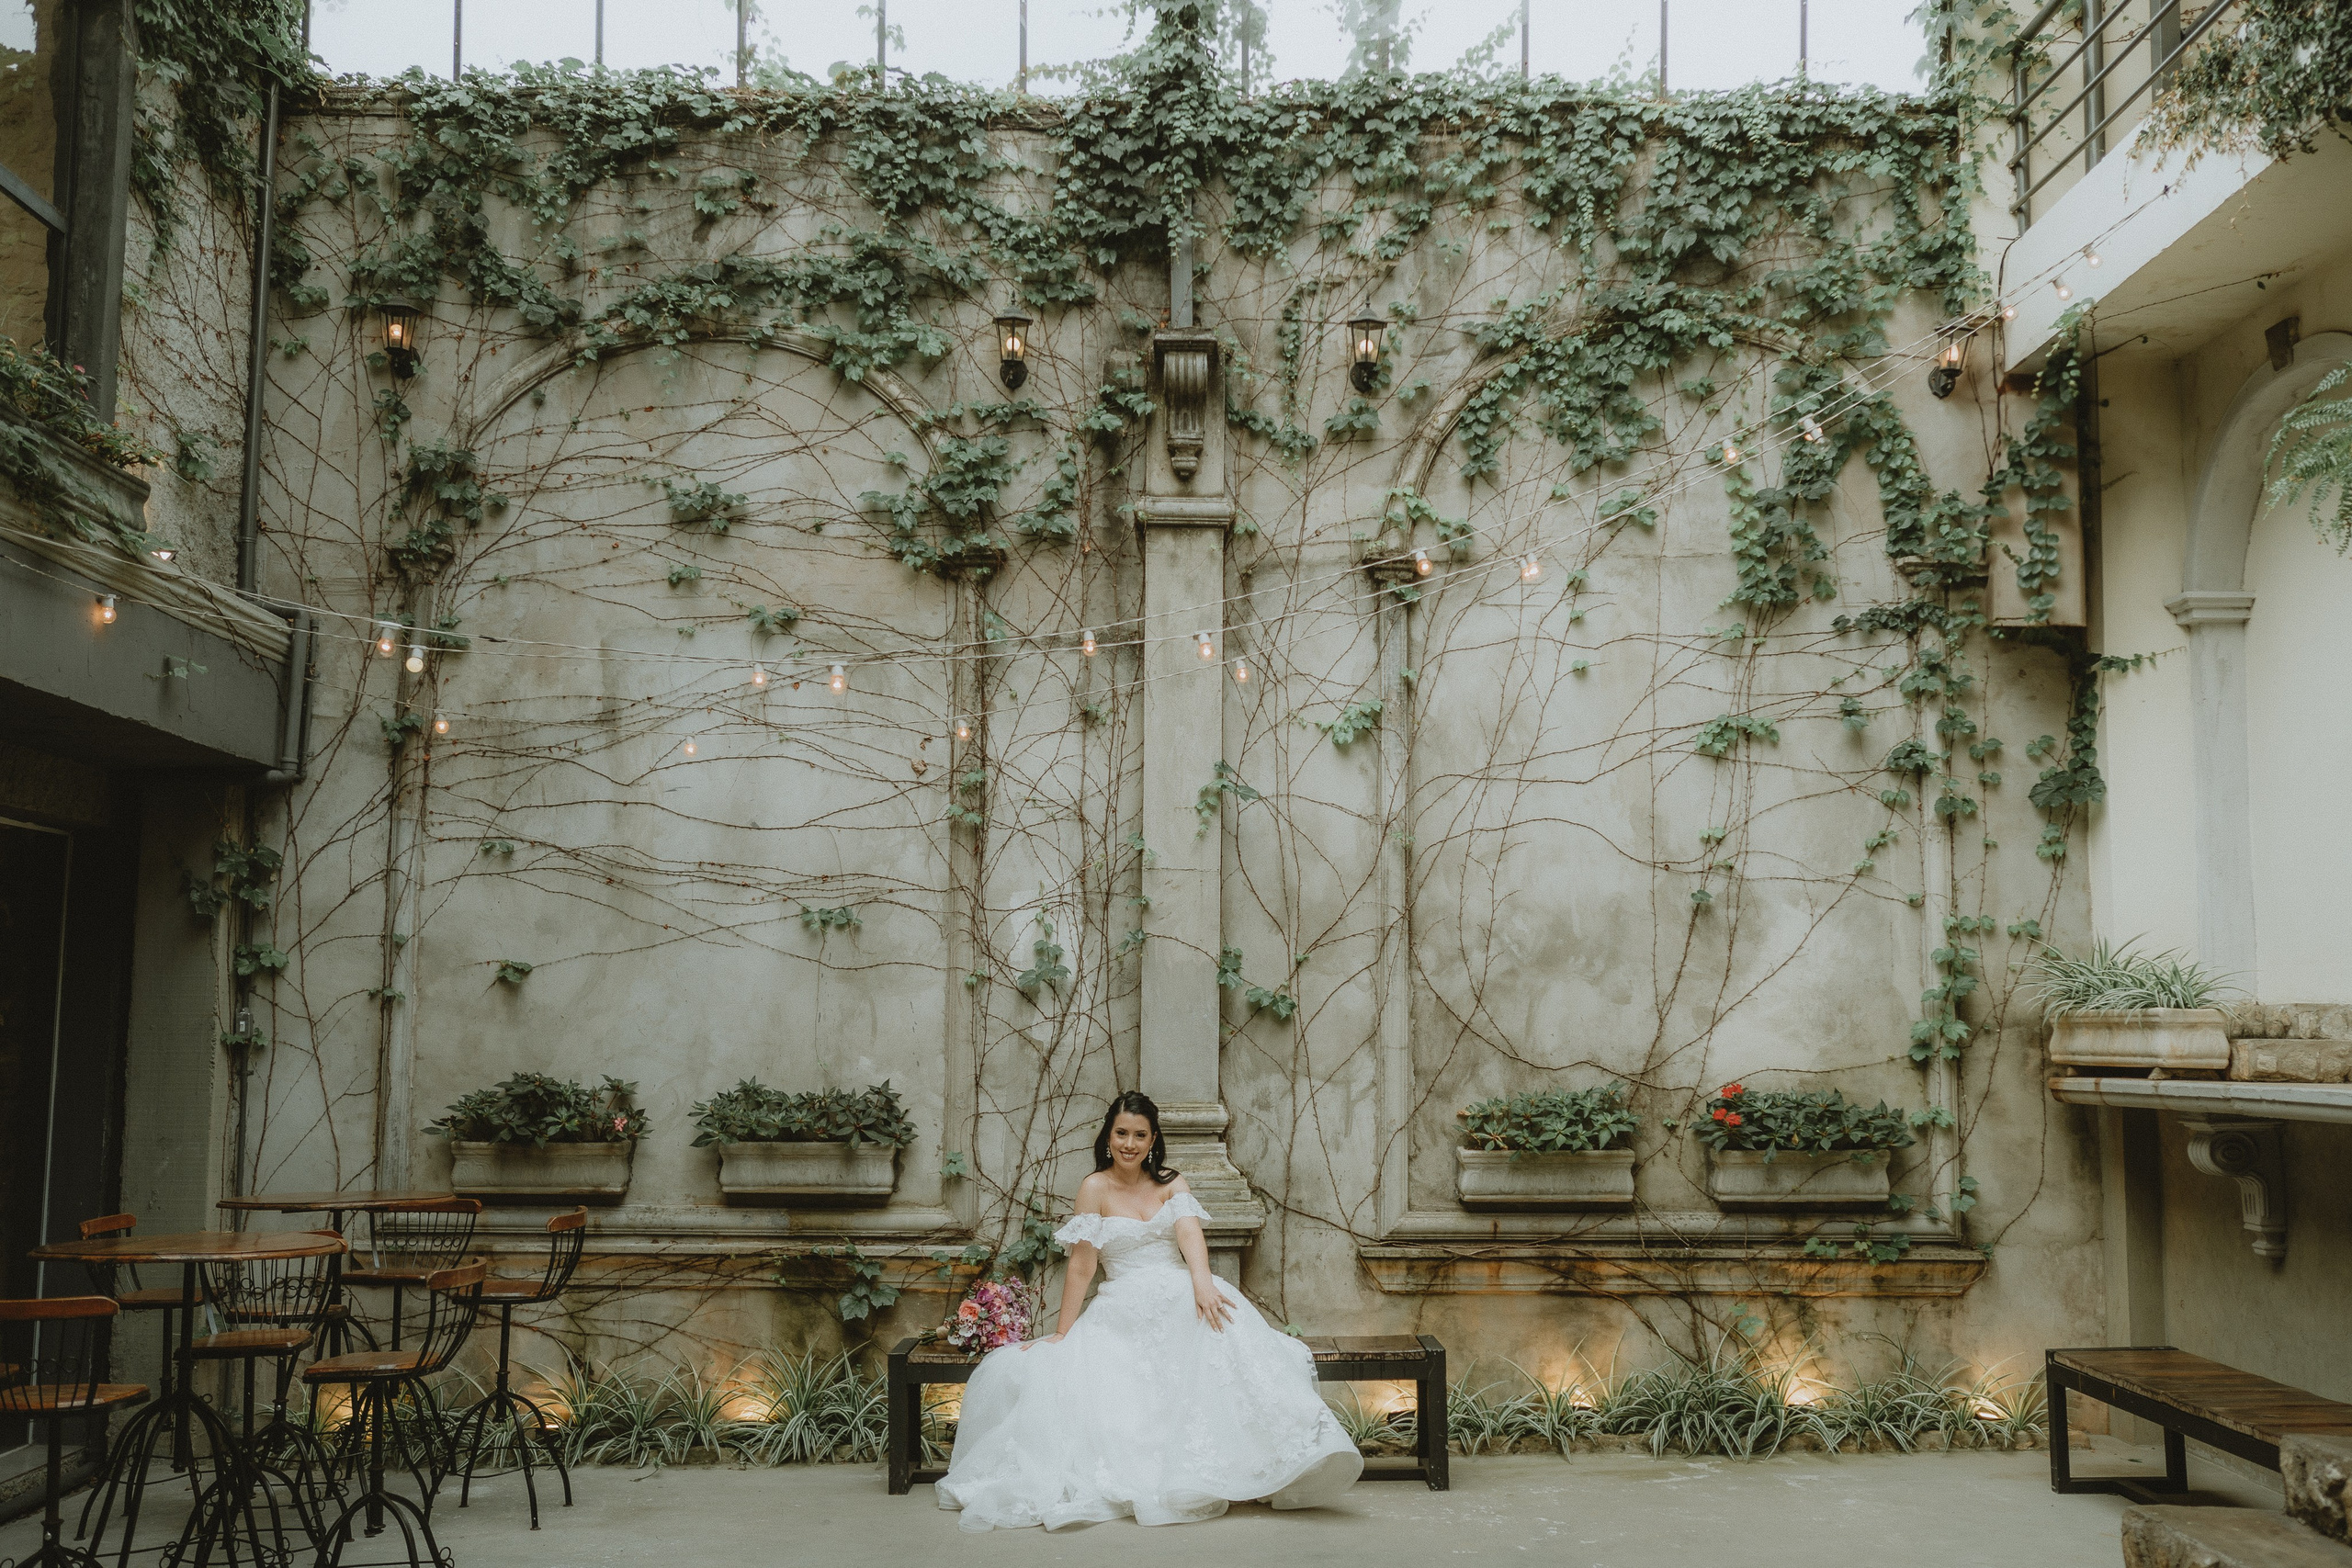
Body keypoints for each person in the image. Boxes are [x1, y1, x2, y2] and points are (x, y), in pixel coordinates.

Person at [933, 1091, 1363, 1530]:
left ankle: (1281, 1455)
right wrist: (1063, 1332)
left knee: (1223, 1330)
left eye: (1140, 1135)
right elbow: (1083, 1264)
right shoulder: (1094, 1187)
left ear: (1153, 1139)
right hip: (1122, 1305)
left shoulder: (1172, 1182)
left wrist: (1202, 1283)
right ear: (1109, 1135)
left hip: (1180, 1292)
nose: (1129, 1144)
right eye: (1122, 1133)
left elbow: (1190, 1236)